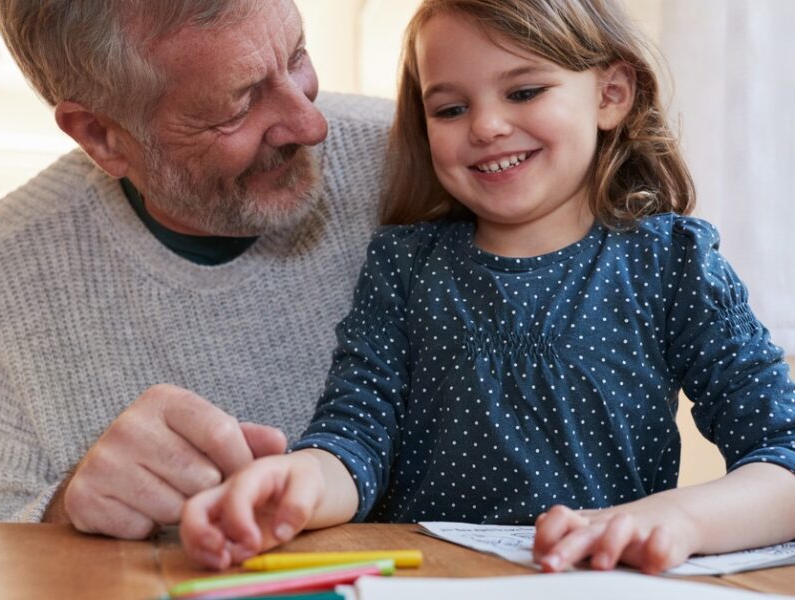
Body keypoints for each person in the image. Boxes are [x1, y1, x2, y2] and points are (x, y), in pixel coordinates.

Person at [179, 0, 795, 574]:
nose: (488, 126)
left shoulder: (670, 264)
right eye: (450, 108)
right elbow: (353, 439)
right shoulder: (404, 267)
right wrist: (297, 484)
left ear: (611, 95)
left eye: (523, 91)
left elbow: (783, 458)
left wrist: (675, 519)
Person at [0, 0, 393, 540]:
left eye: (296, 56)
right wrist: (68, 505)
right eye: (239, 107)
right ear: (101, 135)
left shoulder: (415, 160)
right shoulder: (23, 254)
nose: (310, 124)